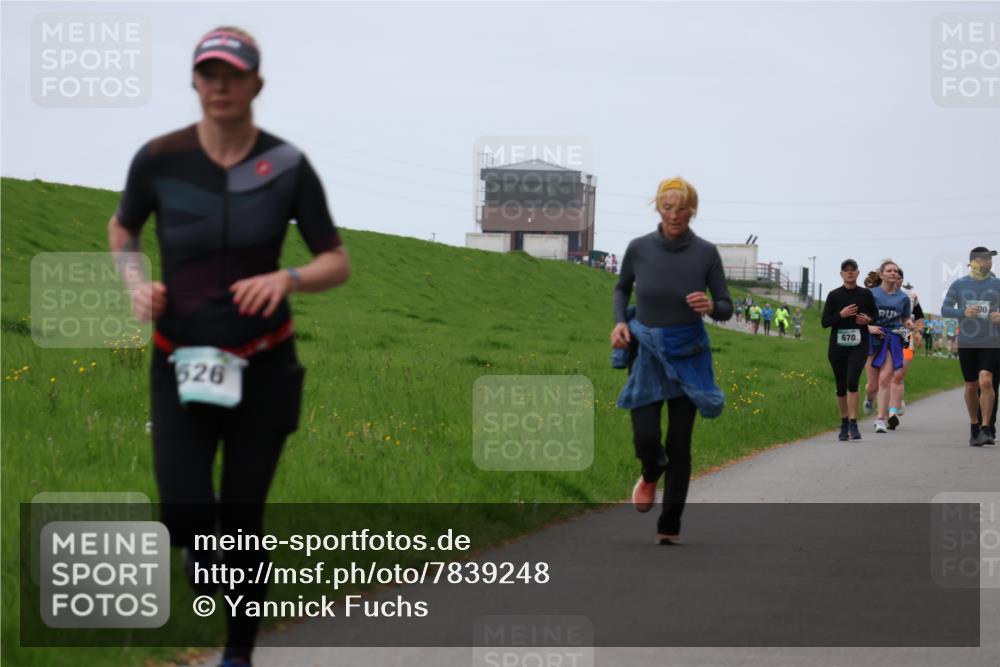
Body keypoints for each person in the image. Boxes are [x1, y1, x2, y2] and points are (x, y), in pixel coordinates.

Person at [108, 27, 351, 667]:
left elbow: (337, 261)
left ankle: (238, 653)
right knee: (186, 513)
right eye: (207, 73)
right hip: (178, 358)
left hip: (265, 362)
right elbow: (122, 230)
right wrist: (137, 285)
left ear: (256, 84)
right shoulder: (158, 158)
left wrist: (287, 277)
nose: (219, 85)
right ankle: (203, 555)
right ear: (194, 82)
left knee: (241, 516)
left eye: (232, 74)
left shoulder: (289, 165)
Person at [611, 177, 732, 545]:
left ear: (692, 211)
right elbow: (622, 288)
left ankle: (670, 526)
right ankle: (651, 472)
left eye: (681, 208)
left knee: (680, 444)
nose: (674, 214)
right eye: (667, 206)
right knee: (646, 438)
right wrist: (620, 321)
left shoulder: (706, 253)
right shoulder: (639, 248)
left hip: (688, 355)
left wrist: (711, 306)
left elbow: (726, 306)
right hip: (647, 353)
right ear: (658, 208)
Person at [940, 247, 1000, 446]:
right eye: (985, 259)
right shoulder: (959, 284)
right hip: (967, 341)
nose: (989, 263)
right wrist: (964, 312)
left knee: (986, 381)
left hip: (991, 340)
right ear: (974, 262)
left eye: (990, 260)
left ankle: (986, 428)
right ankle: (974, 425)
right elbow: (945, 309)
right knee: (971, 385)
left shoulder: (997, 284)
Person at [821, 259, 877, 440]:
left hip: (859, 345)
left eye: (853, 270)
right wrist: (841, 315)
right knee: (840, 386)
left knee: (852, 381)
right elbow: (825, 322)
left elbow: (875, 315)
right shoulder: (834, 295)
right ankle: (844, 424)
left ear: (858, 273)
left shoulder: (865, 294)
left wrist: (868, 320)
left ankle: (854, 423)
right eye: (846, 270)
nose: (850, 273)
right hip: (837, 346)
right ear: (841, 274)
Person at [864, 261, 912, 433]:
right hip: (872, 337)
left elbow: (905, 318)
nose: (893, 273)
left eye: (895, 271)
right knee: (873, 385)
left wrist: (909, 323)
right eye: (889, 270)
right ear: (882, 274)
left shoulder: (903, 298)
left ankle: (880, 419)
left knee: (885, 379)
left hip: (892, 338)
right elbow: (861, 316)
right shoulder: (871, 294)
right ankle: (869, 398)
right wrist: (868, 327)